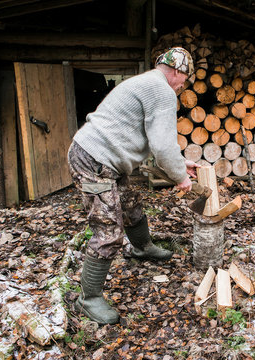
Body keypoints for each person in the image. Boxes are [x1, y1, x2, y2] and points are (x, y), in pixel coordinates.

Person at [67, 47, 199, 324]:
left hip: (104, 159)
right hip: (93, 160)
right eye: (184, 80)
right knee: (108, 231)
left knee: (130, 205)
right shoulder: (161, 90)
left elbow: (151, 139)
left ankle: (142, 247)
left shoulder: (148, 83)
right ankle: (88, 298)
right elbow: (163, 147)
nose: (182, 86)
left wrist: (180, 164)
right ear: (177, 72)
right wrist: (181, 178)